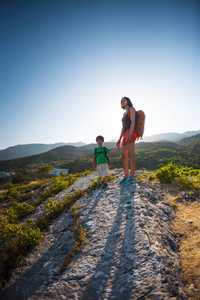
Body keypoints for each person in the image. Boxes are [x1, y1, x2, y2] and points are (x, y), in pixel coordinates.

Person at [117, 97, 137, 185]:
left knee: (131, 155)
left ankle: (132, 177)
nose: (122, 102)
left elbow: (133, 122)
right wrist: (119, 138)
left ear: (128, 101)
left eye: (124, 100)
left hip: (130, 132)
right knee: (123, 156)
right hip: (125, 133)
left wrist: (130, 134)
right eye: (121, 101)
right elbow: (123, 127)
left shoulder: (131, 109)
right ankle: (126, 175)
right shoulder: (124, 113)